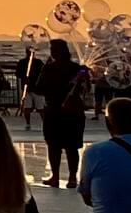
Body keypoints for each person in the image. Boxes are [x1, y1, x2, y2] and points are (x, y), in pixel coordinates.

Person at [35, 38, 90, 188]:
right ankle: (72, 177)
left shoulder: (49, 68)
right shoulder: (77, 68)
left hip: (54, 110)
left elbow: (38, 88)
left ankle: (56, 176)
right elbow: (86, 89)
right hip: (74, 110)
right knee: (72, 146)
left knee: (54, 145)